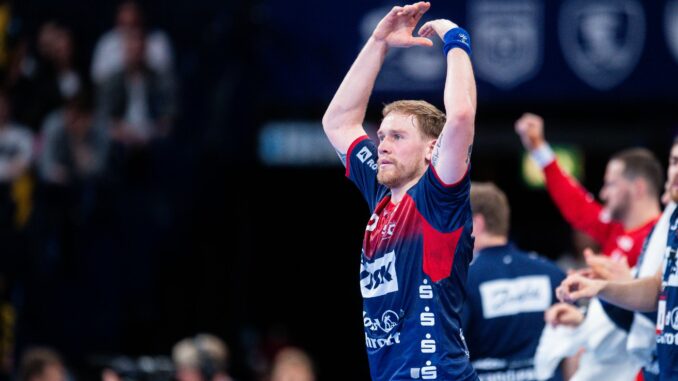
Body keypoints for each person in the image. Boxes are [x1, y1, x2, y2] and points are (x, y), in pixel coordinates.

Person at [322, 2, 477, 380]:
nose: (383, 145)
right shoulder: (381, 195)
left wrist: (456, 40)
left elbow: (460, 117)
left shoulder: (438, 197)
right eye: (382, 136)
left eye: (398, 136)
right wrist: (379, 42)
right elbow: (339, 121)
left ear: (432, 149)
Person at [515, 113, 663, 380]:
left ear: (637, 187)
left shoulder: (661, 237)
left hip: (638, 367)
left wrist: (620, 283)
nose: (604, 193)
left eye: (610, 184)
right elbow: (576, 204)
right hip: (607, 362)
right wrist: (538, 149)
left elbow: (654, 311)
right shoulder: (615, 230)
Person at [556, 139, 678, 381]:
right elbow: (657, 290)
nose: (674, 171)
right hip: (660, 366)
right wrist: (602, 288)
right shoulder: (673, 223)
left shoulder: (656, 227)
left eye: (610, 184)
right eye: (674, 161)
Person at [462, 182, 566, 381]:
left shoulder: (463, 279)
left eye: (458, 221)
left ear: (477, 223)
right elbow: (575, 346)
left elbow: (452, 351)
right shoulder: (553, 274)